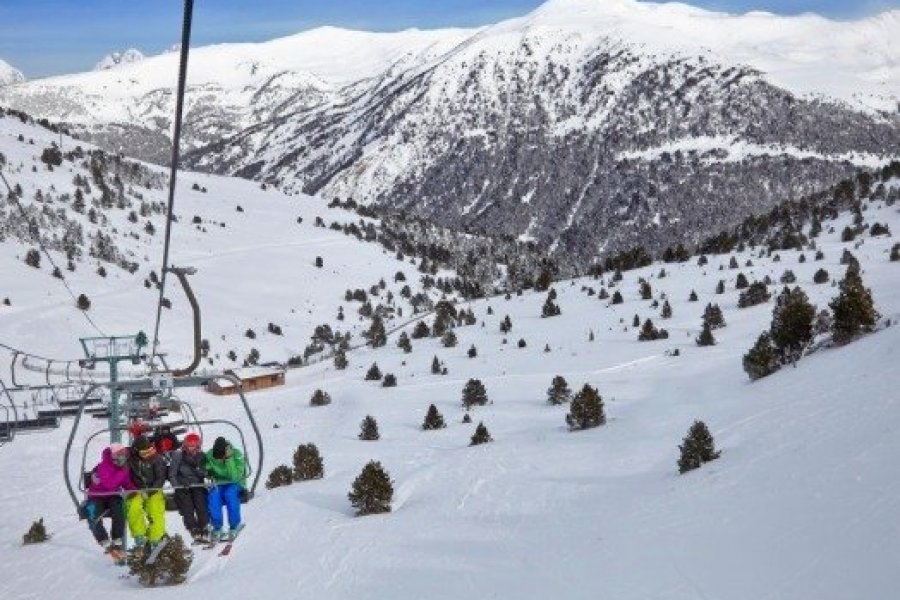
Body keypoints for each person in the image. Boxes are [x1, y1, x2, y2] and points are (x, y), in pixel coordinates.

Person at [84, 443, 134, 559]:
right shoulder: (104, 466)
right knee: (92, 514)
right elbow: (109, 484)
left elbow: (126, 483)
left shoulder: (123, 466)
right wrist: (122, 471)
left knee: (119, 509)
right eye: (119, 454)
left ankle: (117, 537)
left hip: (112, 496)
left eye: (124, 454)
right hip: (96, 495)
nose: (122, 457)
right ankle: (103, 539)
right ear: (113, 455)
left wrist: (135, 491)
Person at [126, 436, 168, 550]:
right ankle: (139, 534)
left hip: (153, 490)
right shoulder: (130, 458)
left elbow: (161, 478)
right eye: (144, 452)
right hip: (136, 489)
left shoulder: (157, 459)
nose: (148, 454)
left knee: (155, 510)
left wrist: (150, 492)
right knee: (132, 508)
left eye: (149, 451)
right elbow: (112, 462)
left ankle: (155, 537)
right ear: (136, 451)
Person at [168, 432, 210, 543]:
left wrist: (198, 469)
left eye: (194, 446)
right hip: (183, 486)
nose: (191, 449)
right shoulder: (178, 456)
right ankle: (193, 528)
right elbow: (172, 474)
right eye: (189, 446)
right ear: (185, 446)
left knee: (201, 503)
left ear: (198, 446)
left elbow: (205, 473)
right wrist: (177, 486)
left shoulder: (201, 456)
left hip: (197, 485)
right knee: (187, 506)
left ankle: (204, 526)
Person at [204, 437, 247, 541]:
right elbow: (206, 467)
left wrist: (229, 460)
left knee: (230, 494)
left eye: (221, 458)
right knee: (213, 496)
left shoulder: (236, 454)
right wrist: (206, 472)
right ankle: (217, 527)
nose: (219, 460)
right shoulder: (210, 454)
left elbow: (235, 476)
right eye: (217, 458)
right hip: (219, 483)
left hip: (235, 482)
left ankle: (234, 525)